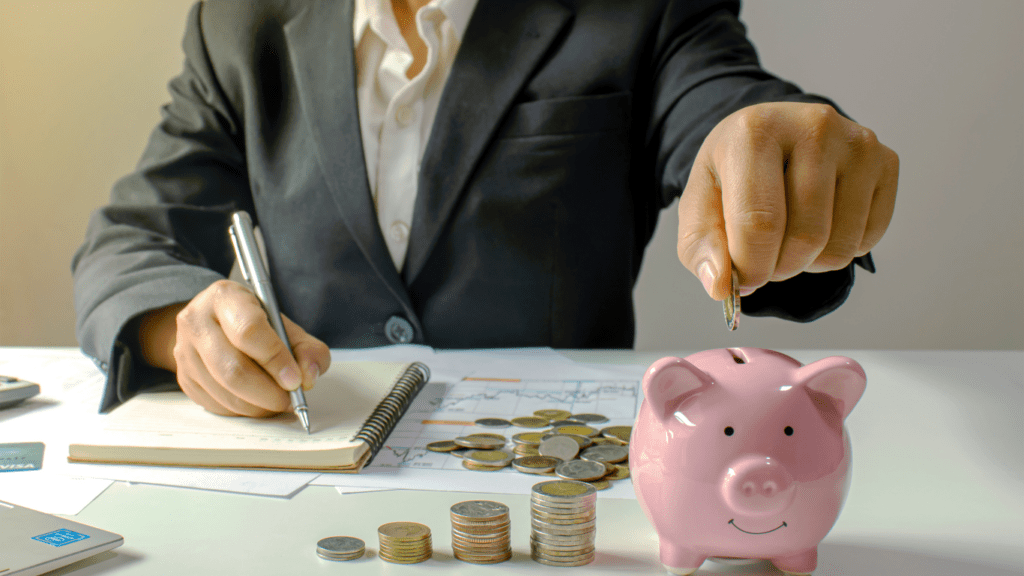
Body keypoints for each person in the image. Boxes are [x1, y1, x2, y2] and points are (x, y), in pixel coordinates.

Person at [72, 0, 898, 416]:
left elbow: (722, 108)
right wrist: (180, 323)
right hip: (306, 470)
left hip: (560, 501)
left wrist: (777, 159)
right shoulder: (240, 19)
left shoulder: (644, 10)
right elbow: (132, 239)